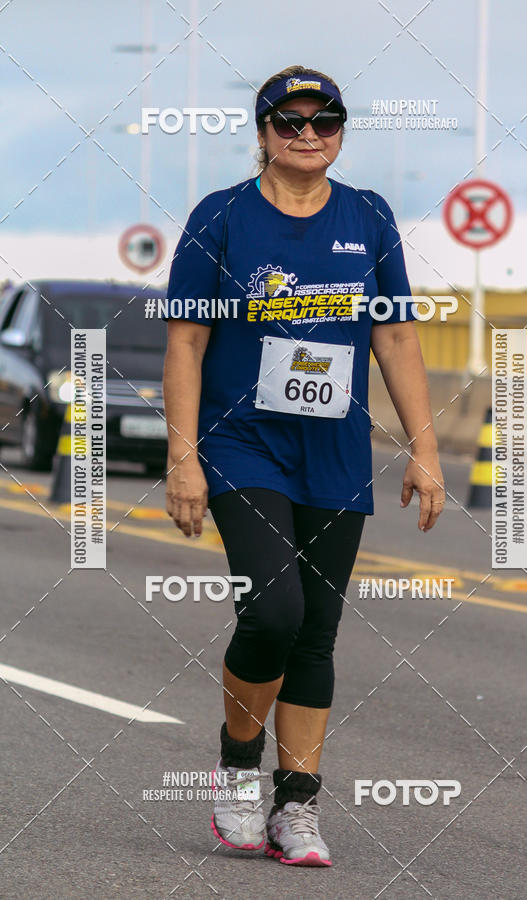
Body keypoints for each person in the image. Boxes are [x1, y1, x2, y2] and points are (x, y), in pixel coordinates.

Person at [162, 64, 445, 867]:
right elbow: (186, 341)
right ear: (263, 134)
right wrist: (184, 457)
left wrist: (423, 450)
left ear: (341, 130)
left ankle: (297, 809)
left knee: (317, 635)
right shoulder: (219, 218)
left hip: (333, 446)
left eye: (325, 122)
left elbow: (394, 336)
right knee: (276, 612)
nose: (309, 135)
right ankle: (237, 771)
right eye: (290, 123)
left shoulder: (368, 216)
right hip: (242, 442)